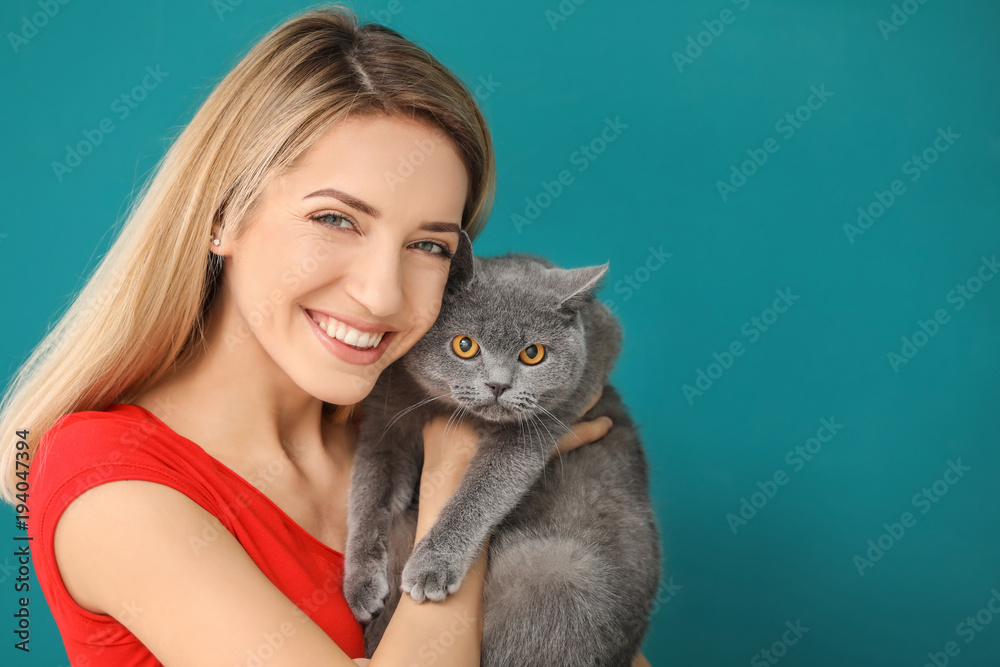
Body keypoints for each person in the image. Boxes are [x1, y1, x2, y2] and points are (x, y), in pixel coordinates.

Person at [0, 4, 652, 665]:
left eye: (427, 244)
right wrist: (451, 500)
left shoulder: (418, 425)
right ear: (222, 216)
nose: (382, 292)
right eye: (336, 219)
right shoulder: (110, 482)